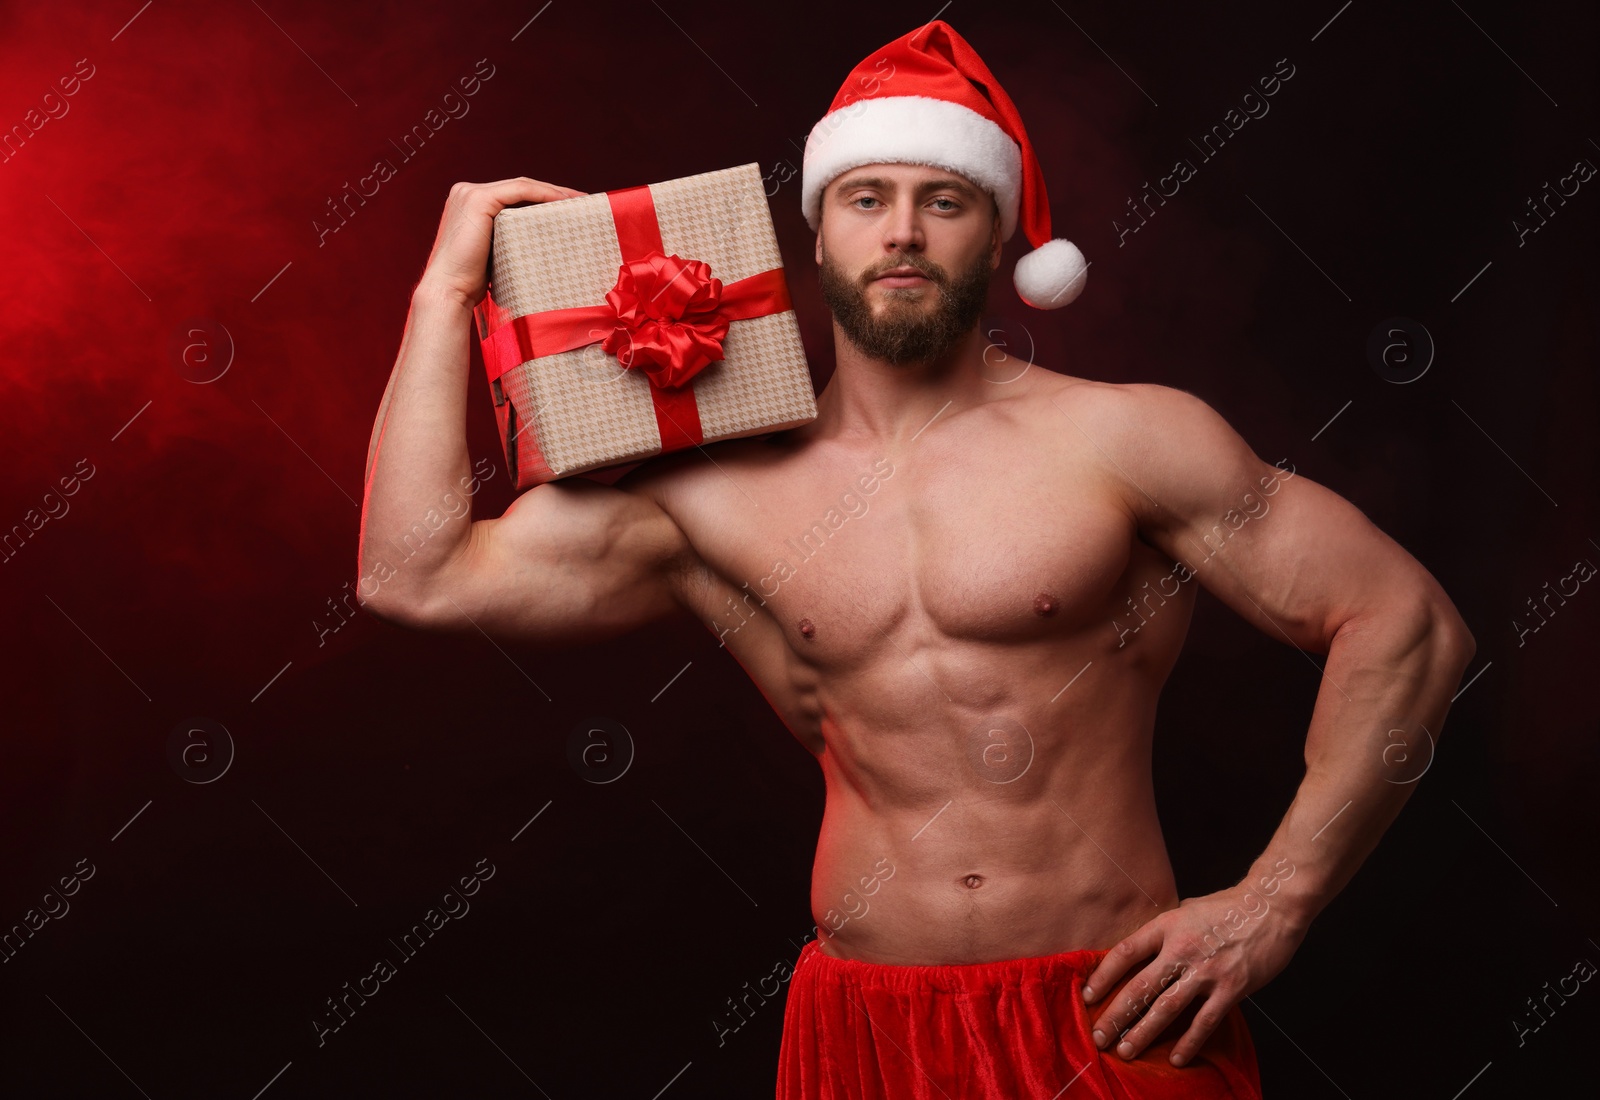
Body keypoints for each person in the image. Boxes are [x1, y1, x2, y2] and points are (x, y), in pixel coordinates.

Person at [359, 19, 1475, 1100]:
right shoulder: (715, 486)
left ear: (996, 237)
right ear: (816, 232)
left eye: (943, 200)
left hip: (1101, 1014)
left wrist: (1273, 903)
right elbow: (414, 571)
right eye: (865, 198)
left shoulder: (1129, 439)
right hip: (864, 1031)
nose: (902, 232)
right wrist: (445, 291)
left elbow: (1405, 622)